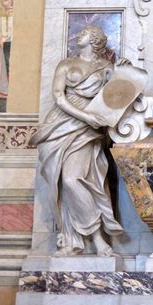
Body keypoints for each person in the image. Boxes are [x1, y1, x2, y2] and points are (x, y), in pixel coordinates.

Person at [31, 24, 129, 256]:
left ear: (94, 39)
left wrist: (123, 73)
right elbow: (58, 96)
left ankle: (98, 239)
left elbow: (116, 98)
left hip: (87, 131)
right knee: (63, 184)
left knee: (74, 179)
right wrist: (85, 116)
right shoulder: (66, 64)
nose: (79, 34)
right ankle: (73, 240)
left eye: (84, 33)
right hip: (60, 125)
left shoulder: (106, 68)